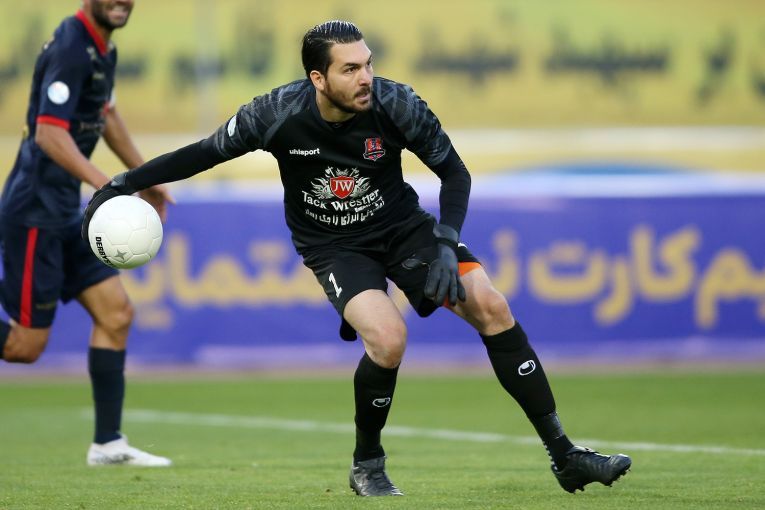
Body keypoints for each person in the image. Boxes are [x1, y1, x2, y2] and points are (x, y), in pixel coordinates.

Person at [82, 20, 631, 493]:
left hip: (404, 230)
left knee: (492, 305)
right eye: (350, 69)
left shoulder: (397, 104)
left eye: (368, 64)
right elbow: (202, 154)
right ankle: (367, 463)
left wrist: (445, 243)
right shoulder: (275, 114)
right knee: (388, 340)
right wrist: (123, 182)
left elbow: (455, 173)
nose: (366, 77)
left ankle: (565, 455)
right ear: (318, 78)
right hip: (334, 247)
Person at [0, 0, 173, 466]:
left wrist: (143, 176)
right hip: (35, 210)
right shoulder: (72, 47)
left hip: (68, 211)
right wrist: (109, 185)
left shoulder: (103, 49)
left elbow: (106, 115)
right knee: (24, 347)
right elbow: (48, 135)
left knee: (116, 314)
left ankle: (108, 444)